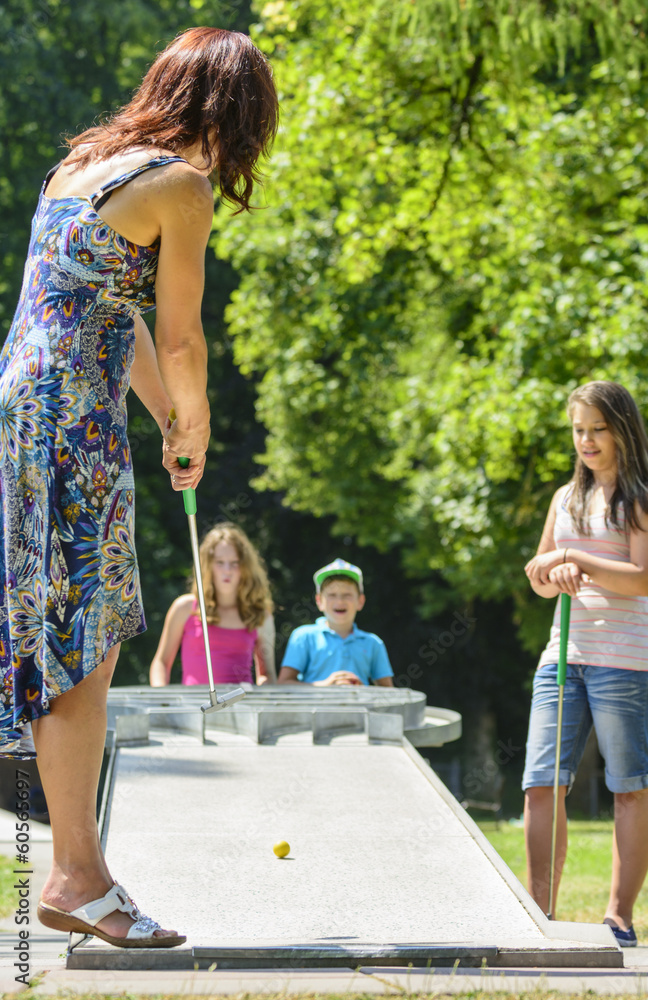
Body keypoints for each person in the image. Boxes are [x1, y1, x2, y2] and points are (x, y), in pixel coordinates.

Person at [0, 28, 278, 948]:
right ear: (239, 117)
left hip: (22, 410)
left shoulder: (83, 165)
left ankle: (79, 870)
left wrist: (165, 420)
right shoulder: (181, 187)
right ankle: (78, 876)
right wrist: (195, 420)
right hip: (72, 425)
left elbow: (108, 321)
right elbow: (181, 336)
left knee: (56, 632)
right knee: (85, 642)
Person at [523, 381, 648, 946]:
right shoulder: (565, 498)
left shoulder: (646, 499)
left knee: (628, 785)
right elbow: (538, 573)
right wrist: (549, 572)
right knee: (540, 782)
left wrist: (572, 557)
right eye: (578, 429)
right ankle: (539, 912)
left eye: (597, 429)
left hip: (625, 661)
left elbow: (641, 579)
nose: (585, 440)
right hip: (563, 654)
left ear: (622, 430)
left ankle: (619, 916)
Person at [149, 523, 276, 686]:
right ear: (208, 565)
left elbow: (267, 674)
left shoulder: (260, 615)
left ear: (246, 567)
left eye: (235, 563)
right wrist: (162, 701)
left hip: (243, 708)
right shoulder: (185, 608)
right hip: (193, 707)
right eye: (220, 562)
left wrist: (260, 696)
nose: (227, 570)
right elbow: (161, 663)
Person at [277, 558, 394, 686]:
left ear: (360, 601)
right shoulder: (304, 637)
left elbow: (388, 693)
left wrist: (363, 690)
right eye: (331, 595)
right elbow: (284, 684)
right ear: (319, 601)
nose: (339, 601)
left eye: (347, 595)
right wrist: (325, 686)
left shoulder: (373, 643)